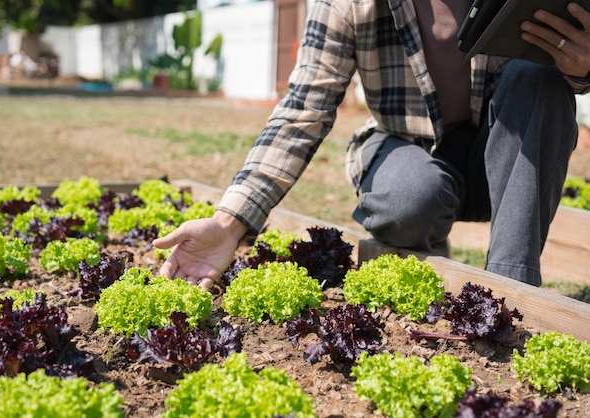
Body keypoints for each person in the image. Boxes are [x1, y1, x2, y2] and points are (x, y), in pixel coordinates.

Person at [154, 0, 590, 290]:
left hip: (505, 159)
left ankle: (510, 291)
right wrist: (230, 223)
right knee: (409, 198)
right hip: (405, 150)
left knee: (542, 77)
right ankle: (429, 247)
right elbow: (302, 111)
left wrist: (583, 68)